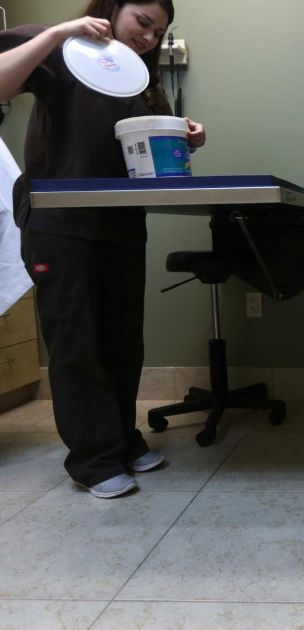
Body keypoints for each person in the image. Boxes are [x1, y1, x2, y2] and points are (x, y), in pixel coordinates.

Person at [0, 0, 206, 498]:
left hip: (119, 227)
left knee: (121, 341)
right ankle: (92, 459)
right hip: (59, 224)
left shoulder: (137, 80)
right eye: (143, 22)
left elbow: (143, 150)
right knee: (77, 343)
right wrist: (57, 33)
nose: (149, 38)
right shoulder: (59, 47)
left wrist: (185, 134)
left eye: (159, 32)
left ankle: (120, 439)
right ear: (112, 8)